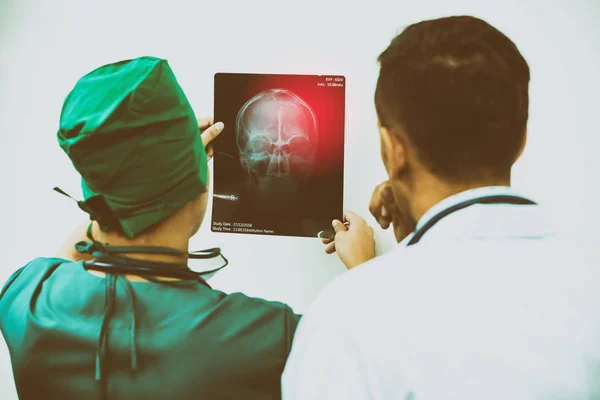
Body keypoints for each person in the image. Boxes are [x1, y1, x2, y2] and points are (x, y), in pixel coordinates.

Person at [282, 15, 600, 399]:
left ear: (392, 149)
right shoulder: (588, 288)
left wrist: (369, 282)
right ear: (521, 140)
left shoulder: (345, 320)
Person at [0, 56, 344, 400]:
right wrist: (368, 268)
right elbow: (376, 365)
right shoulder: (271, 337)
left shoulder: (24, 298)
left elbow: (75, 247)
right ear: (195, 182)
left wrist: (149, 167)